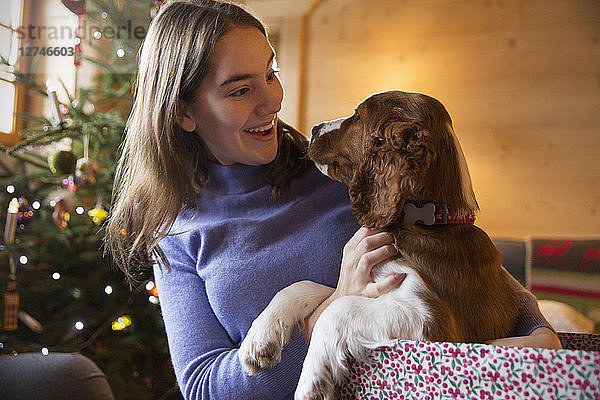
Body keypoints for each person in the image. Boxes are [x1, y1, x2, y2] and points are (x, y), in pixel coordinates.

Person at [105, 1, 561, 399]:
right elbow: (204, 386)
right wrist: (324, 315)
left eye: (271, 74)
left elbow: (461, 265)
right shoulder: (179, 233)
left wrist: (535, 331)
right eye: (241, 90)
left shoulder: (343, 173)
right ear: (184, 112)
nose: (271, 102)